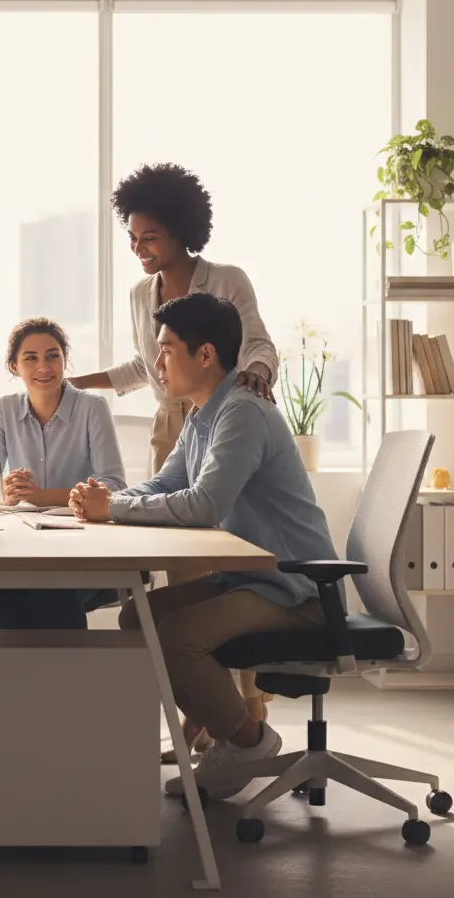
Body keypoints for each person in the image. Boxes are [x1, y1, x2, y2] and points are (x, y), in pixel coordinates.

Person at [69, 294, 338, 802]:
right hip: (250, 580)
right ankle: (212, 725)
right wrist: (107, 500)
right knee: (137, 618)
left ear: (206, 355)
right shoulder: (201, 416)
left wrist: (114, 509)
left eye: (167, 349)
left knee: (178, 637)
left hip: (296, 588)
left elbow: (204, 504)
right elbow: (163, 485)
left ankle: (249, 740)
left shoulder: (241, 413)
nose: (157, 362)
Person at [68, 161, 281, 761]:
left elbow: (257, 343)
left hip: (228, 411)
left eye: (149, 237)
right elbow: (144, 367)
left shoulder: (226, 279)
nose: (139, 249)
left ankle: (247, 709)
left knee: (234, 567)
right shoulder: (143, 295)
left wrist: (256, 376)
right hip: (176, 422)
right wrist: (68, 383)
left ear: (183, 230)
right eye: (132, 238)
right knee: (185, 573)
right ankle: (206, 717)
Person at [0, 317, 127, 629]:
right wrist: (2, 494)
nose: (44, 367)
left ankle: (62, 675)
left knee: (51, 592)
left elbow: (115, 486)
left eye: (53, 356)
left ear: (64, 360)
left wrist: (42, 496)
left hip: (86, 545)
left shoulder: (92, 407)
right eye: (31, 358)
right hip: (27, 545)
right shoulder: (5, 409)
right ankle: (33, 674)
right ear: (14, 366)